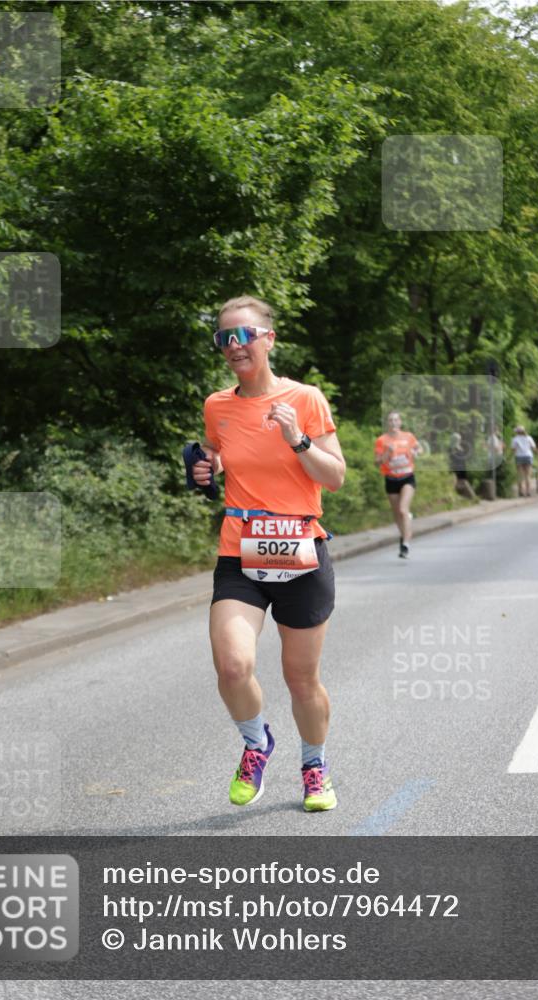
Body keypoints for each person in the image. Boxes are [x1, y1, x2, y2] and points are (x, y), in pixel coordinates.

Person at [192, 295, 346, 812]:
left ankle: (314, 766)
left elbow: (336, 477)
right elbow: (218, 456)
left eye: (243, 336)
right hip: (241, 554)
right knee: (232, 666)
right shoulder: (218, 405)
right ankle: (257, 743)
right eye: (223, 339)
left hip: (302, 553)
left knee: (301, 679)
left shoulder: (306, 399)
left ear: (268, 339)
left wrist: (298, 439)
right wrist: (205, 469)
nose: (233, 347)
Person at [374, 411, 422, 558]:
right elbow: (377, 462)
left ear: (400, 422)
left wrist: (416, 453)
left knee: (402, 509)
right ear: (388, 423)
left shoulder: (408, 437)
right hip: (391, 479)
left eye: (396, 420)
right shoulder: (382, 440)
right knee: (397, 514)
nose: (393, 422)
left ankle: (406, 544)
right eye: (390, 420)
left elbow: (419, 448)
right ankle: (404, 534)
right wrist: (386, 454)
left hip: (407, 477)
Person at [448, 433, 476, 500]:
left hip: (462, 467)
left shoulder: (459, 447)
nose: (460, 440)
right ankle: (457, 496)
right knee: (457, 482)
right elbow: (452, 458)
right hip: (456, 468)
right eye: (458, 439)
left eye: (460, 439)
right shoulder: (452, 448)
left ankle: (464, 496)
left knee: (463, 482)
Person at [510, 425, 536, 497]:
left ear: (517, 432)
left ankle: (521, 491)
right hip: (528, 456)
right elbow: (533, 447)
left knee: (520, 475)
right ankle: (528, 491)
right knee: (528, 475)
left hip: (519, 457)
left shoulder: (515, 439)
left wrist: (509, 458)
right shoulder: (529, 438)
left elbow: (513, 449)